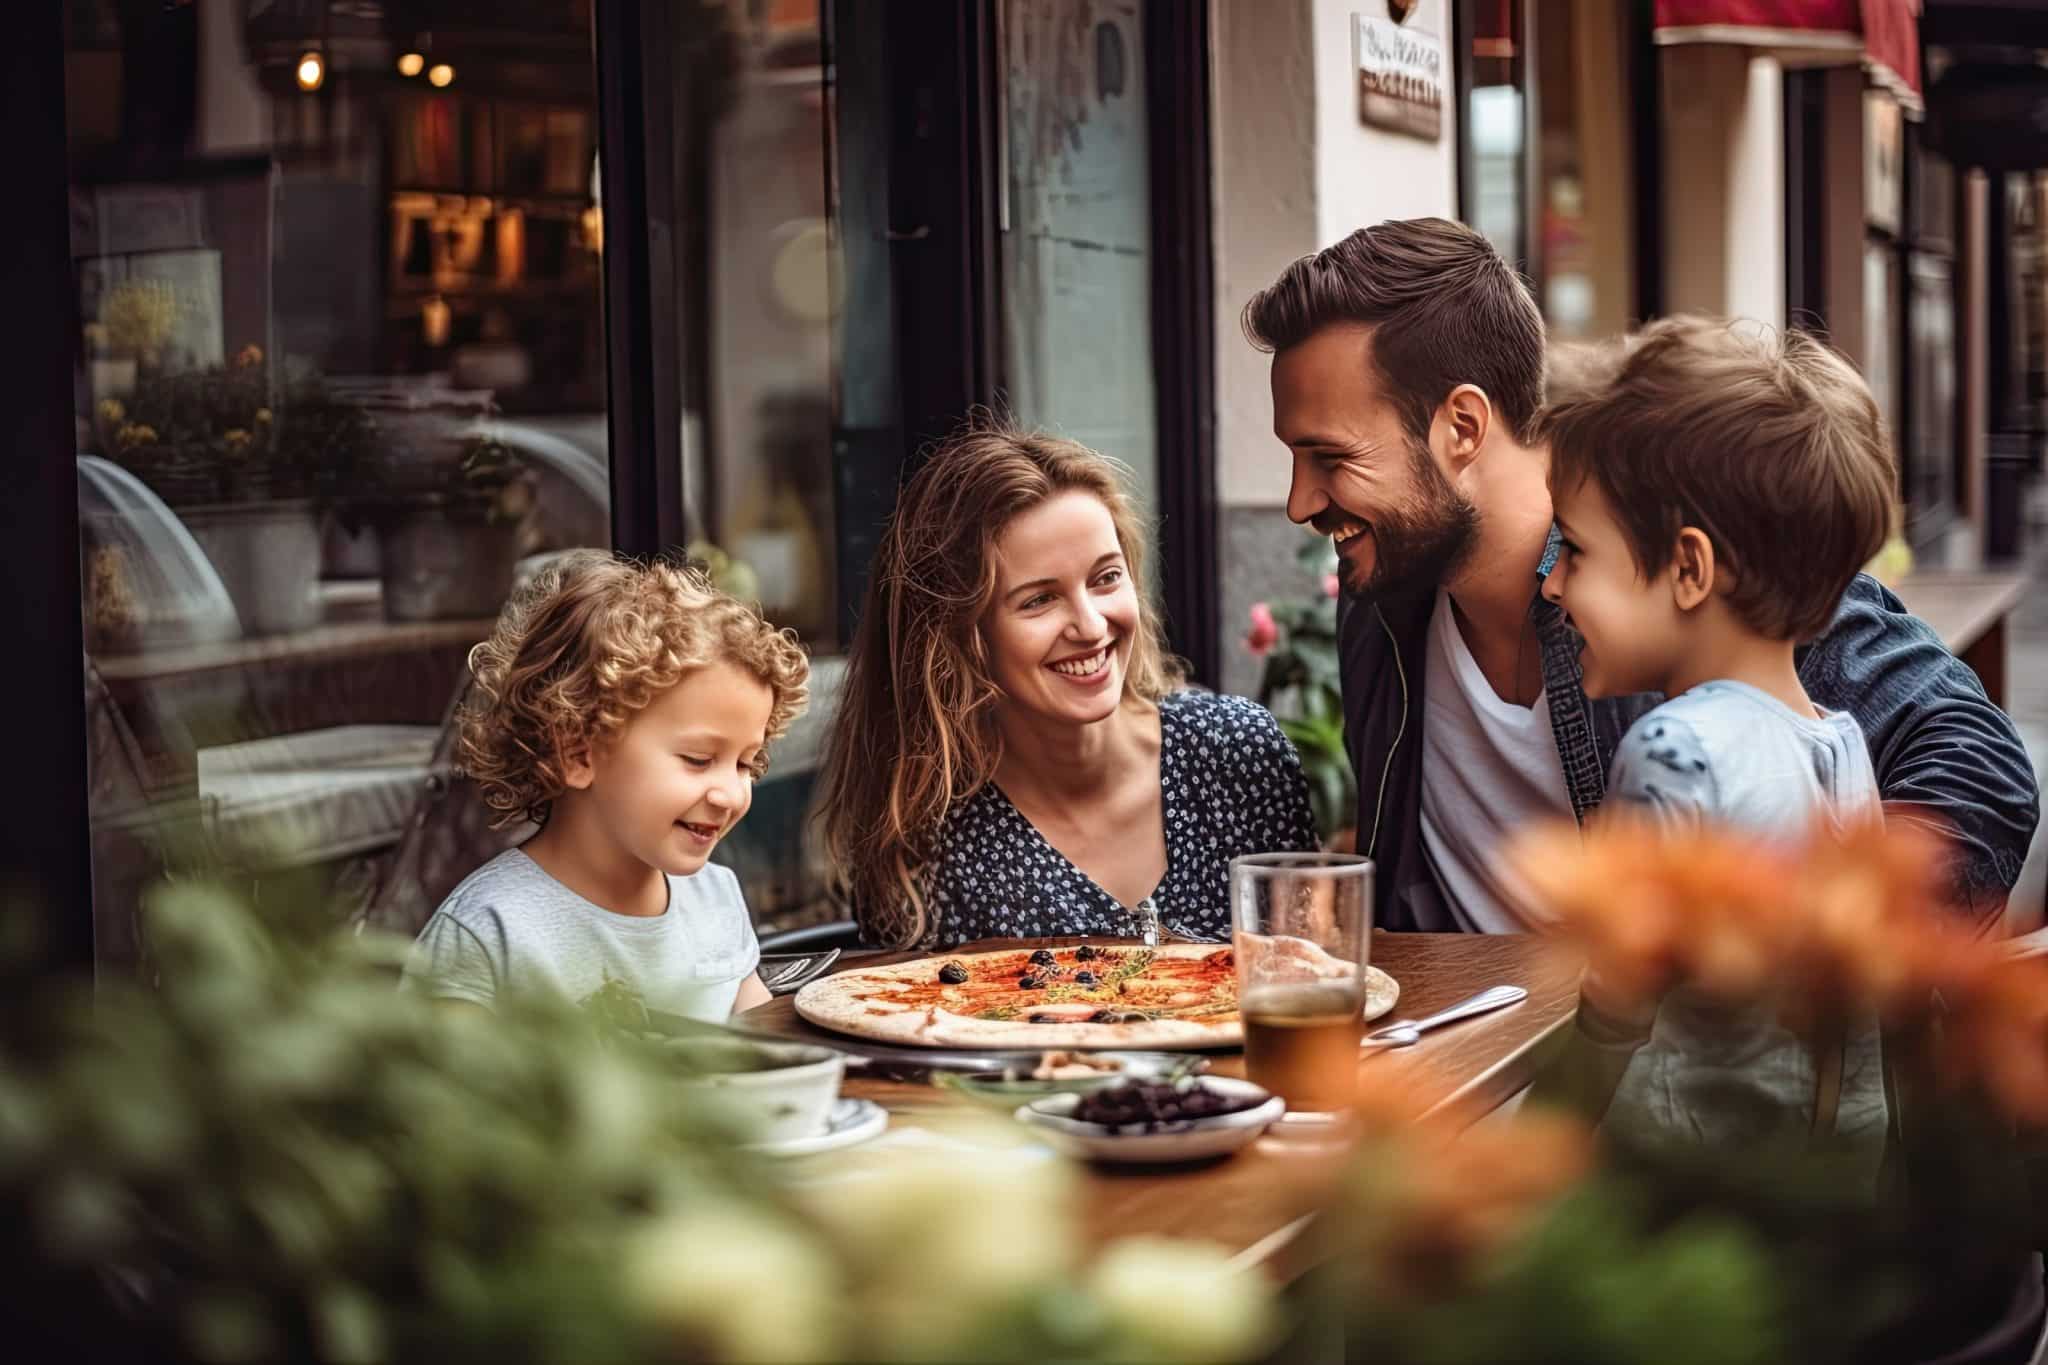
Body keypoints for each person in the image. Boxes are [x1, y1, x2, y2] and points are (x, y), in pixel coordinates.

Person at [1242, 217, 2039, 933]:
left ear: (1462, 426)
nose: (1298, 500)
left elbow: (1978, 762)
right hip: (1467, 1071)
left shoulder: (1673, 561)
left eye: (1330, 457)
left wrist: (1811, 984)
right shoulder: (1380, 599)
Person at [1536, 315, 1894, 1163]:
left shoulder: (1672, 752)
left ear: (1690, 570)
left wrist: (1514, 1168)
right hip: (1817, 1206)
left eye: (1576, 551)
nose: (1551, 584)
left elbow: (1611, 1022)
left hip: (1673, 1198)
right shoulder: (1841, 748)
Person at [818, 422, 1318, 948]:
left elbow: (1316, 978)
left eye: (1106, 578)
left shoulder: (1240, 757)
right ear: (961, 635)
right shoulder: (926, 841)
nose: (1091, 626)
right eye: (1039, 600)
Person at [402, 551, 810, 1020]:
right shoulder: (490, 934)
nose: (732, 794)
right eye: (698, 760)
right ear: (578, 753)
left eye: (745, 763)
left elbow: (771, 1059)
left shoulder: (716, 900)